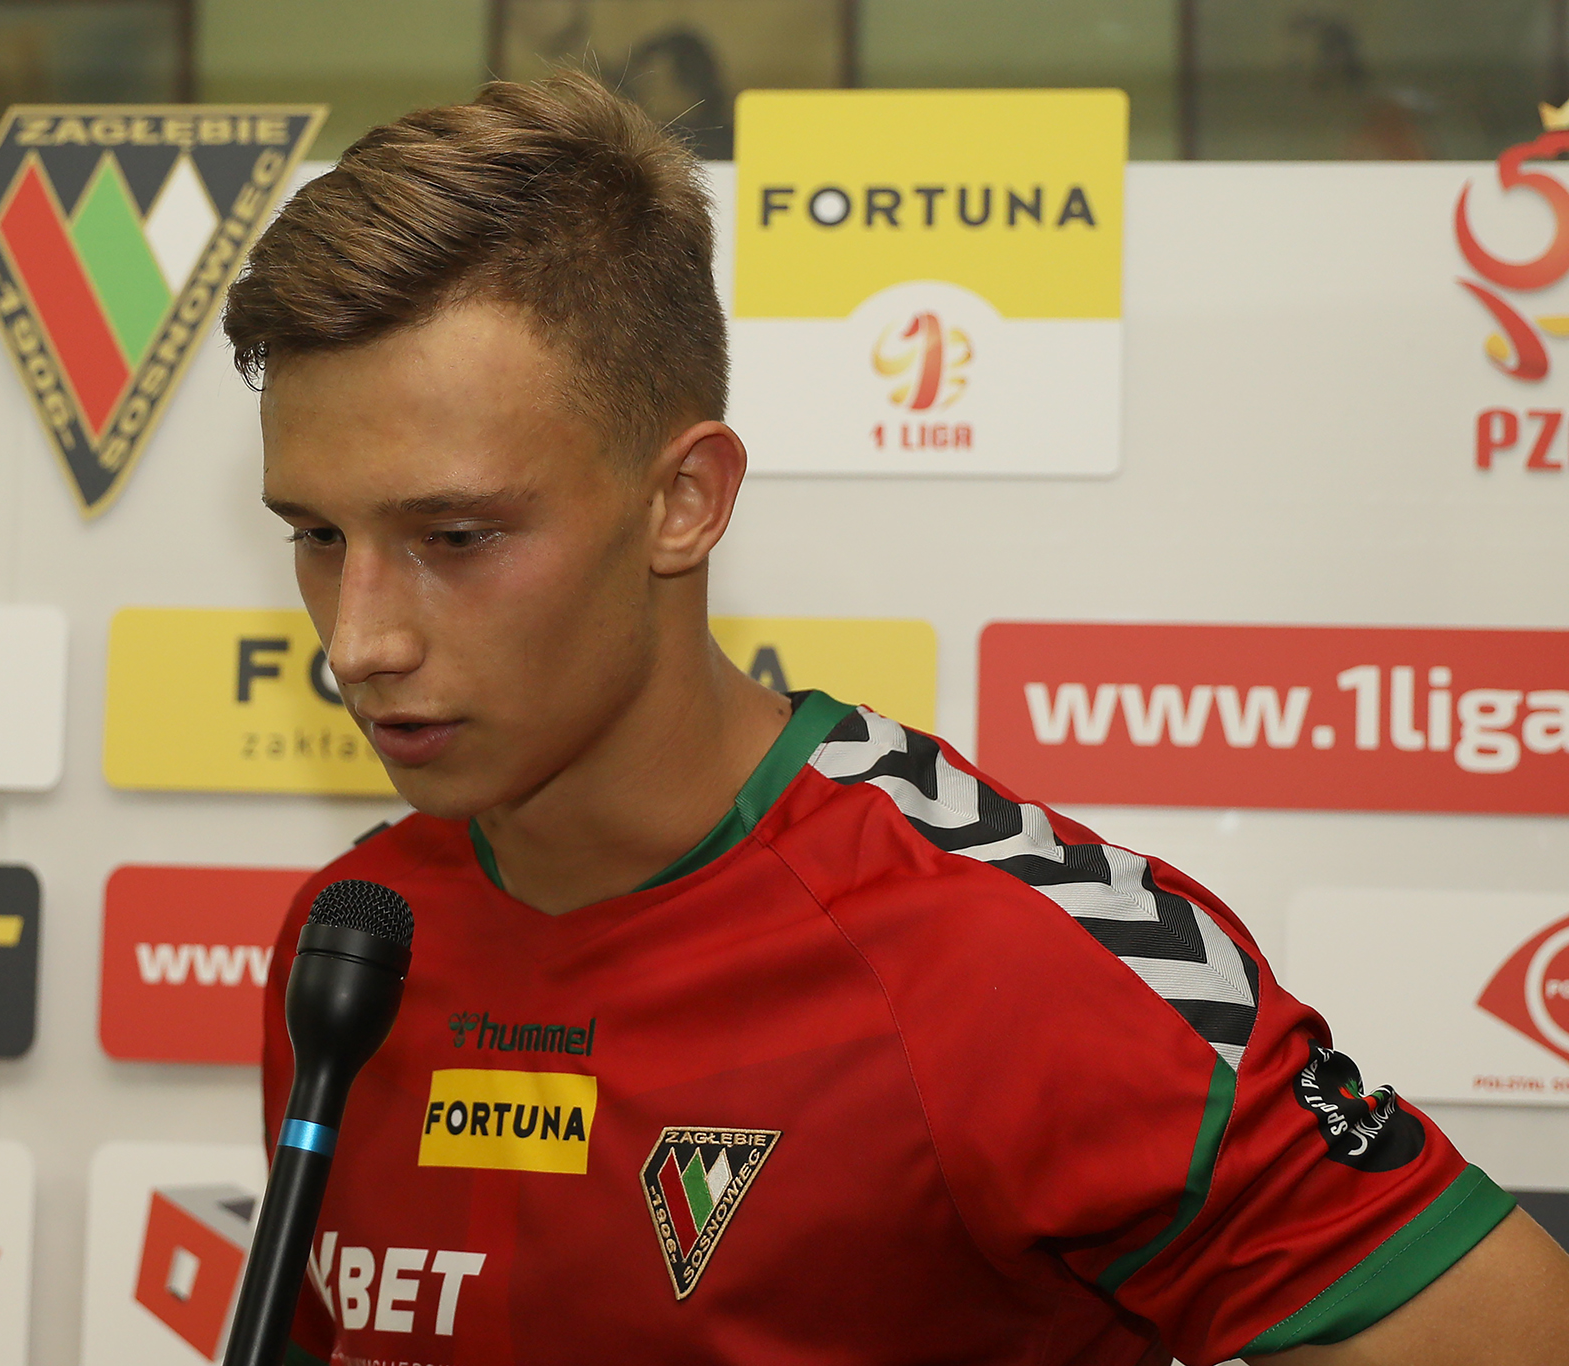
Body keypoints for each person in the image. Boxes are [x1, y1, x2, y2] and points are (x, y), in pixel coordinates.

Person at [224, 71, 1569, 1365]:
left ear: (683, 501)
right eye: (317, 535)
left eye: (456, 536)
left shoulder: (1009, 962)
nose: (360, 641)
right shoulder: (351, 944)